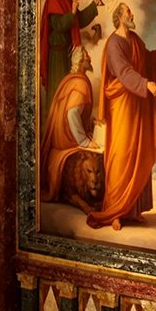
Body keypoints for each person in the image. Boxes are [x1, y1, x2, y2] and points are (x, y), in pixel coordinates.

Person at [86, 3, 156, 230]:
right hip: (122, 105)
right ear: (120, 17)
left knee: (139, 153)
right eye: (128, 12)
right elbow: (124, 72)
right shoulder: (114, 43)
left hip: (138, 104)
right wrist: (146, 84)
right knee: (121, 156)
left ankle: (132, 210)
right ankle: (114, 211)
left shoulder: (134, 39)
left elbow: (148, 60)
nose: (132, 14)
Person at [39, 46, 100, 202]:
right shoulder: (80, 83)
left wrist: (92, 121)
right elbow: (71, 113)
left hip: (60, 137)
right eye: (87, 56)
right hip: (67, 140)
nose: (90, 59)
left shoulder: (70, 80)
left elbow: (73, 112)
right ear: (80, 61)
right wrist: (84, 141)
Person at [39, 0, 102, 117]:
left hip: (67, 53)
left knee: (68, 92)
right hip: (57, 54)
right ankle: (55, 127)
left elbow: (78, 21)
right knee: (59, 90)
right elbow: (58, 25)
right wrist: (72, 12)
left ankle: (66, 127)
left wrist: (95, 3)